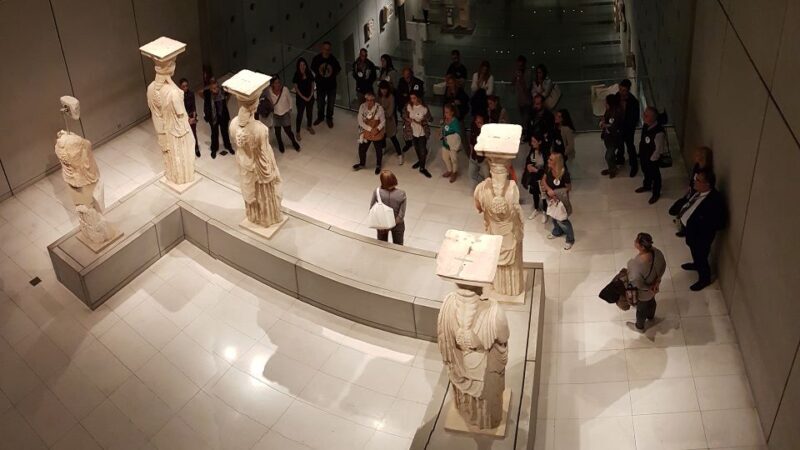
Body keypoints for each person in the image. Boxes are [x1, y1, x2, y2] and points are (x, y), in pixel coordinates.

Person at [678, 169, 725, 291]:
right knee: (696, 254)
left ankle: (704, 279)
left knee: (701, 257)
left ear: (707, 184)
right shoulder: (698, 191)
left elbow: (719, 222)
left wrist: (700, 227)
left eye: (698, 180)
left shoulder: (715, 201)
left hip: (701, 237)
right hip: (692, 233)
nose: (694, 181)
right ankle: (696, 264)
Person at [626, 232, 667, 331]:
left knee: (641, 309)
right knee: (652, 301)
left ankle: (639, 327)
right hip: (654, 288)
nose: (634, 241)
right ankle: (651, 316)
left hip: (644, 292)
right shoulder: (657, 252)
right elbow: (663, 265)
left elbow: (637, 283)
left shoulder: (635, 265)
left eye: (636, 241)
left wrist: (650, 288)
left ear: (642, 247)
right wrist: (656, 283)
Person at [670, 146, 714, 221]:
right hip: (690, 192)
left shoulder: (706, 173)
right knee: (673, 209)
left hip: (695, 195)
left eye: (697, 155)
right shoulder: (697, 166)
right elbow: (692, 179)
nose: (694, 156)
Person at [543, 152, 574, 250]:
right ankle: (557, 231)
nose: (548, 161)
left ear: (557, 162)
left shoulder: (564, 173)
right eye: (549, 159)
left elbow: (569, 188)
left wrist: (555, 193)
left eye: (551, 160)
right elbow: (543, 180)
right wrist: (549, 190)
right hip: (551, 199)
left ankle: (570, 239)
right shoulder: (548, 169)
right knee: (553, 216)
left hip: (560, 200)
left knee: (563, 220)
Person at [635, 106, 666, 204]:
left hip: (652, 158)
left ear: (653, 118)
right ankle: (647, 185)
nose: (643, 117)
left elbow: (659, 149)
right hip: (644, 155)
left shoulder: (659, 132)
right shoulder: (646, 125)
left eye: (646, 115)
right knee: (645, 171)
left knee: (655, 175)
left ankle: (656, 193)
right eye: (644, 114)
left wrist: (652, 160)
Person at [370, 170, 407, 245]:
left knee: (382, 244)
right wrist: (391, 225)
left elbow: (372, 209)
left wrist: (384, 225)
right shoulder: (401, 194)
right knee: (398, 245)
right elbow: (401, 215)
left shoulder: (377, 192)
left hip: (381, 224)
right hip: (397, 224)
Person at [353, 91, 386, 174]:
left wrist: (377, 129)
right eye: (367, 100)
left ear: (374, 99)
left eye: (371, 100)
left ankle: (378, 165)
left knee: (378, 150)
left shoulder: (379, 108)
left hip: (376, 132)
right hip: (366, 131)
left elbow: (383, 121)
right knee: (362, 149)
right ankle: (362, 163)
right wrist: (370, 129)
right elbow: (360, 121)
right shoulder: (362, 107)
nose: (369, 102)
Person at [311, 41, 341, 128]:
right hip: (320, 86)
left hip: (331, 86)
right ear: (322, 49)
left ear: (330, 50)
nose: (326, 51)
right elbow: (313, 69)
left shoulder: (333, 59)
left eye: (328, 49)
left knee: (331, 104)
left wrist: (331, 76)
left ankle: (329, 118)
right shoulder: (317, 59)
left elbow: (338, 69)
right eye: (325, 49)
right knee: (320, 103)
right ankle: (320, 117)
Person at [266, 76, 300, 153]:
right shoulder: (269, 91)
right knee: (277, 132)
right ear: (272, 84)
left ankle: (294, 142)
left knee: (288, 131)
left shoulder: (285, 89)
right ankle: (280, 144)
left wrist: (290, 108)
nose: (278, 84)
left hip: (285, 113)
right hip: (276, 114)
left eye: (279, 82)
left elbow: (290, 99)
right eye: (276, 83)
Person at [402, 92, 433, 178]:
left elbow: (430, 119)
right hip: (412, 131)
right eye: (411, 98)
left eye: (414, 98)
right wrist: (408, 119)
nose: (412, 100)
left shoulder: (424, 108)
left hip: (422, 132)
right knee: (416, 147)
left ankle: (422, 168)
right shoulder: (408, 106)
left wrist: (422, 121)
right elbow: (404, 115)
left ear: (418, 98)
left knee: (422, 150)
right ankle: (420, 161)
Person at [615, 79, 640, 176]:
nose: (621, 92)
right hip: (619, 126)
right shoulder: (617, 96)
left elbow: (635, 118)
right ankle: (620, 158)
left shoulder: (634, 102)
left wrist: (629, 127)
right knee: (619, 144)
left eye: (624, 90)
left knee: (630, 146)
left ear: (628, 90)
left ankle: (634, 165)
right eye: (620, 89)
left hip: (628, 128)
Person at [203, 78, 233, 158]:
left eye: (216, 87)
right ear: (210, 87)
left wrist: (226, 101)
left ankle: (228, 146)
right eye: (213, 88)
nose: (215, 90)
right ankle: (214, 149)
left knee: (225, 132)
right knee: (214, 133)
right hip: (213, 116)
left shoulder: (222, 92)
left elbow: (230, 93)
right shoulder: (208, 93)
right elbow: (199, 93)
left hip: (223, 115)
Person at [523, 133, 549, 222]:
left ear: (540, 142)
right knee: (535, 193)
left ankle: (545, 211)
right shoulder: (532, 151)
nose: (532, 143)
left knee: (543, 195)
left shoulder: (545, 153)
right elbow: (528, 161)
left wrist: (537, 171)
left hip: (542, 177)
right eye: (532, 141)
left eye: (534, 141)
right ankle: (536, 208)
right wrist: (528, 166)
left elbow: (547, 167)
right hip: (533, 177)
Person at [377, 80, 403, 162]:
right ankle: (383, 148)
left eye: (385, 89)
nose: (383, 91)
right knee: (382, 136)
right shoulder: (378, 96)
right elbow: (376, 108)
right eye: (382, 89)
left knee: (393, 137)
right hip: (380, 121)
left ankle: (399, 154)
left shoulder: (391, 97)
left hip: (389, 121)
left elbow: (390, 112)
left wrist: (382, 112)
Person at [600, 94, 623, 178]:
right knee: (611, 154)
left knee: (608, 156)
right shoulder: (609, 110)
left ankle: (612, 169)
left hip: (614, 137)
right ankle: (612, 168)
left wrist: (604, 125)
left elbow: (613, 125)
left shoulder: (615, 113)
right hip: (608, 136)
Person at [292, 58, 315, 141]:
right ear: (298, 66)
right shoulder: (296, 75)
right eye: (301, 65)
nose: (303, 66)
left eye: (304, 64)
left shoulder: (309, 73)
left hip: (310, 97)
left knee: (309, 113)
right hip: (301, 98)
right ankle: (297, 132)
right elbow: (296, 88)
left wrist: (311, 94)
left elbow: (312, 84)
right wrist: (304, 97)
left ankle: (309, 126)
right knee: (300, 115)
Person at [440, 103, 463, 183]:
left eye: (447, 112)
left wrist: (449, 138)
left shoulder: (455, 122)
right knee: (445, 157)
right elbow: (442, 129)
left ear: (452, 112)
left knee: (454, 160)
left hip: (452, 145)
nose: (445, 114)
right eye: (444, 112)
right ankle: (449, 170)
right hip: (445, 144)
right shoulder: (444, 120)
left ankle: (454, 172)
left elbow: (458, 135)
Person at [512, 56, 532, 139]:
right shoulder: (517, 73)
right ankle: (522, 134)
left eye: (521, 65)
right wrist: (515, 77)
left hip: (527, 100)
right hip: (519, 100)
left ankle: (526, 135)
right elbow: (512, 83)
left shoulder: (528, 73)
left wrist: (521, 78)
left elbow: (527, 88)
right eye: (518, 65)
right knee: (521, 118)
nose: (519, 67)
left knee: (526, 119)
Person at [179, 78, 200, 157]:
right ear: (180, 87)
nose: (185, 88)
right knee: (185, 134)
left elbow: (194, 106)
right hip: (184, 117)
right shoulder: (179, 96)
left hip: (192, 115)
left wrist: (193, 117)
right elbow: (181, 109)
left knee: (194, 133)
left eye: (186, 86)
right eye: (183, 86)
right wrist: (187, 118)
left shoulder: (191, 93)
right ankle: (188, 150)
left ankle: (196, 148)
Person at [467, 114, 488, 183]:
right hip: (474, 158)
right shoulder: (473, 129)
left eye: (480, 122)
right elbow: (471, 143)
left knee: (487, 177)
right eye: (477, 121)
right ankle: (482, 183)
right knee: (471, 175)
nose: (478, 123)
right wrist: (471, 154)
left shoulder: (487, 132)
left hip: (483, 159)